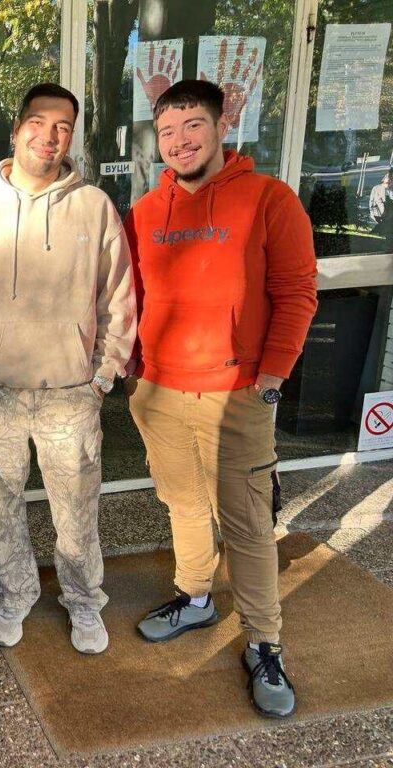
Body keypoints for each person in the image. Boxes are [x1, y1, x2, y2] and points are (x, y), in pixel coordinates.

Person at [123, 80, 317, 718]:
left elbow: (296, 293)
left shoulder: (269, 199)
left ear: (221, 126)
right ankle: (196, 598)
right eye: (167, 131)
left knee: (247, 525)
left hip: (236, 394)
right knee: (181, 503)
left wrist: (272, 377)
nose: (179, 142)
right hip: (160, 390)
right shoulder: (145, 213)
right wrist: (133, 373)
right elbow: (129, 301)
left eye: (192, 127)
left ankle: (264, 642)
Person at [0, 83, 136, 654]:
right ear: (17, 130)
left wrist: (103, 375)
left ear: (71, 138)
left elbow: (118, 299)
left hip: (69, 393)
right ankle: (15, 594)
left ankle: (84, 601)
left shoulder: (93, 207)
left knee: (77, 512)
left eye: (63, 127)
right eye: (39, 123)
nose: (50, 136)